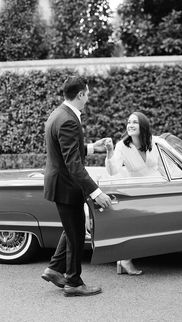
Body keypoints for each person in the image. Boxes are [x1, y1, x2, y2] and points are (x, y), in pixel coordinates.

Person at [41, 75, 112, 297]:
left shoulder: (58, 113)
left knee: (71, 229)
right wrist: (96, 192)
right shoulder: (70, 119)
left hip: (59, 183)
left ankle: (54, 269)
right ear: (80, 94)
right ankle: (73, 283)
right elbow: (73, 164)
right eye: (87, 94)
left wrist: (92, 148)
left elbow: (67, 152)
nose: (88, 98)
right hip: (66, 186)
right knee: (76, 235)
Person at [104, 111, 165, 276]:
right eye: (129, 122)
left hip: (158, 189)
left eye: (135, 122)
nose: (130, 125)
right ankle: (125, 259)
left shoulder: (156, 142)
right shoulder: (122, 146)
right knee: (137, 224)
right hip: (137, 191)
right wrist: (109, 152)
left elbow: (166, 166)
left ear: (143, 126)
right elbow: (112, 170)